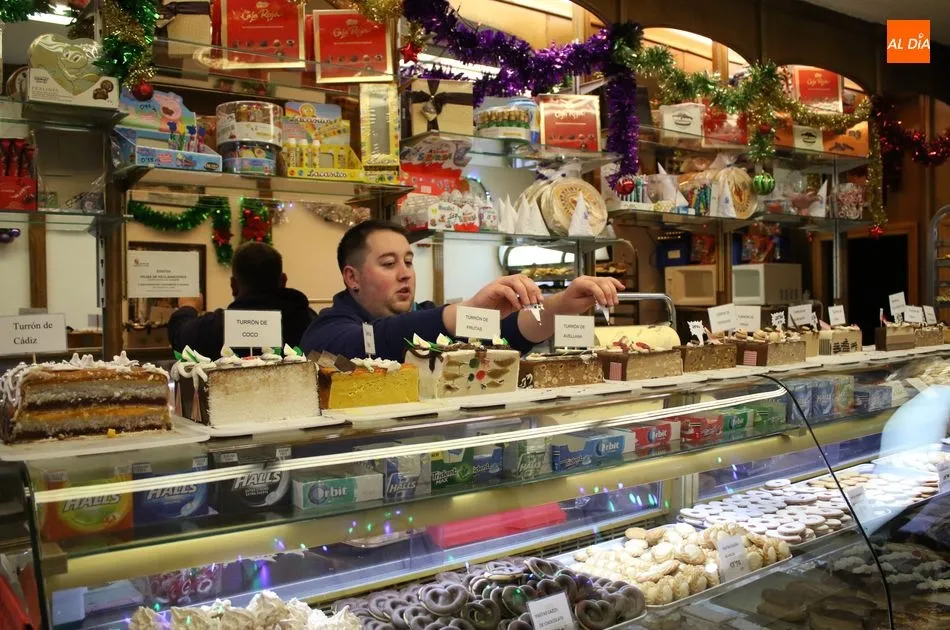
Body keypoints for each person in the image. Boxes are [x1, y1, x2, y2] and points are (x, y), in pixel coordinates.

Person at [300, 220, 624, 361]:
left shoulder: (426, 314)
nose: (405, 273)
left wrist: (560, 305)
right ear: (352, 277)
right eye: (388, 263)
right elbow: (379, 339)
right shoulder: (327, 330)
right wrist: (467, 310)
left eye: (409, 262)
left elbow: (505, 334)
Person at [169, 242, 315, 359]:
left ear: (233, 285)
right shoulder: (310, 322)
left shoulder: (215, 329)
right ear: (283, 280)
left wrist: (188, 306)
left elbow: (180, 337)